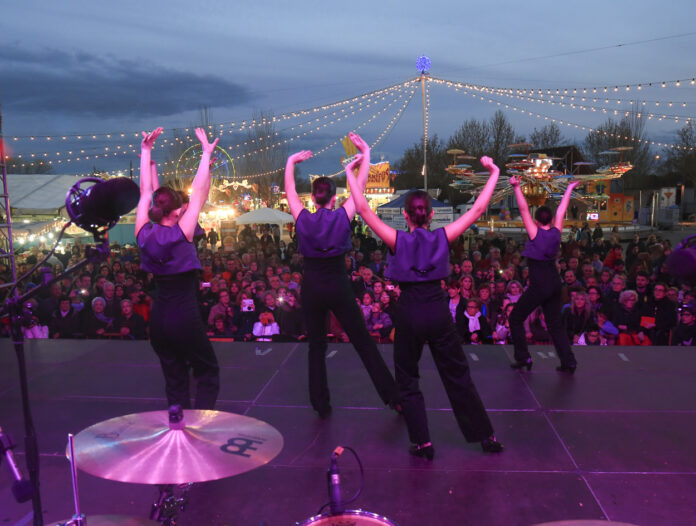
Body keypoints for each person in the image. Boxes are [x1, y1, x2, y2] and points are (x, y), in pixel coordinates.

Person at [345, 137, 503, 458]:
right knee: (457, 375)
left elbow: (361, 207)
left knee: (408, 377)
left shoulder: (397, 239)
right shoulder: (444, 237)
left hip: (409, 312)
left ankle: (423, 442)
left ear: (406, 216)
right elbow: (479, 208)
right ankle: (484, 437)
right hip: (438, 313)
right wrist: (494, 171)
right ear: (430, 216)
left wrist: (355, 167)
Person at [284, 135, 399, 418]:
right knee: (362, 341)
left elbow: (289, 191)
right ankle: (393, 397)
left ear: (311, 197)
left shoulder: (302, 218)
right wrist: (365, 154)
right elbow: (358, 191)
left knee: (316, 347)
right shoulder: (341, 216)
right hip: (337, 283)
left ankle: (320, 404)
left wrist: (290, 162)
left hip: (312, 285)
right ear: (335, 198)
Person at [136, 127, 220, 409]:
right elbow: (197, 192)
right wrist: (205, 154)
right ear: (177, 212)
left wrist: (146, 151)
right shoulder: (182, 232)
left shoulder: (142, 232)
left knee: (174, 376)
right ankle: (203, 424)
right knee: (207, 370)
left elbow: (145, 192)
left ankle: (179, 426)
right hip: (184, 314)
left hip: (158, 318)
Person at [509, 176, 580, 373]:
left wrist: (516, 187)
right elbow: (562, 210)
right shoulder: (556, 233)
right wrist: (569, 189)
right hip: (555, 283)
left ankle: (523, 357)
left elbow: (523, 209)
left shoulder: (535, 233)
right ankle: (569, 361)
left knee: (515, 318)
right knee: (555, 325)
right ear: (550, 219)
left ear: (537, 219)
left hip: (539, 284)